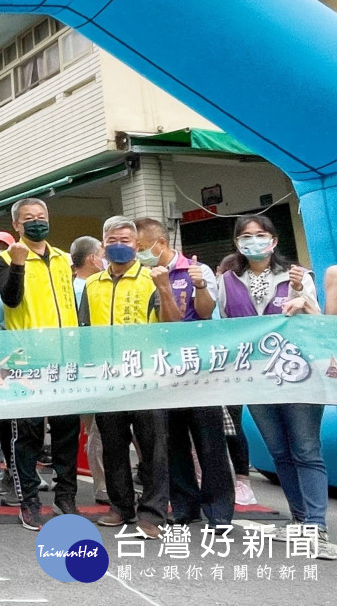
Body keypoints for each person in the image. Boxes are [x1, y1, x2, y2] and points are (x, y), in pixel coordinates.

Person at [215, 215, 335, 559]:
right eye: (246, 235)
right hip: (256, 379)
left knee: (305, 449)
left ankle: (316, 526)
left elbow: (318, 326)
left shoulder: (298, 276)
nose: (253, 241)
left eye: (260, 234)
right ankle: (300, 520)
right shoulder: (226, 281)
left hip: (299, 376)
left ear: (274, 240)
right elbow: (222, 329)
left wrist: (301, 296)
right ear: (237, 242)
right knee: (280, 451)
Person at [78, 215, 182, 540]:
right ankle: (121, 506)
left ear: (136, 245)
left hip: (147, 376)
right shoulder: (92, 285)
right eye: (112, 241)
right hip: (107, 378)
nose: (119, 246)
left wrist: (165, 288)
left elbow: (173, 326)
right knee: (113, 445)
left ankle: (151, 514)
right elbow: (82, 333)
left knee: (153, 448)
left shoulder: (152, 279)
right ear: (102, 245)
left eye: (125, 240)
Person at [133, 217, 233, 529]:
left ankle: (218, 510)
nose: (137, 254)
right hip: (163, 370)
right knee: (173, 442)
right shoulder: (141, 276)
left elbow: (204, 311)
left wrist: (199, 284)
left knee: (209, 440)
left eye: (139, 248)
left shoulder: (194, 270)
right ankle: (186, 506)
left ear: (158, 244)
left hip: (198, 368)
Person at [0, 198, 79, 530]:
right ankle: (28, 498)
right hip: (25, 362)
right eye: (28, 218)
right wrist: (17, 264)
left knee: (65, 432)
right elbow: (11, 299)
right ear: (17, 225)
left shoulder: (62, 260)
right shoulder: (3, 259)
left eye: (41, 217)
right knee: (26, 434)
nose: (36, 222)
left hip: (64, 358)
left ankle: (66, 496)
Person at [68, 235, 108, 506]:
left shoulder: (66, 286)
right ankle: (103, 486)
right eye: (102, 252)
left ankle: (102, 484)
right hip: (95, 363)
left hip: (78, 365)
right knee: (99, 429)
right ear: (93, 258)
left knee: (93, 427)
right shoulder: (91, 286)